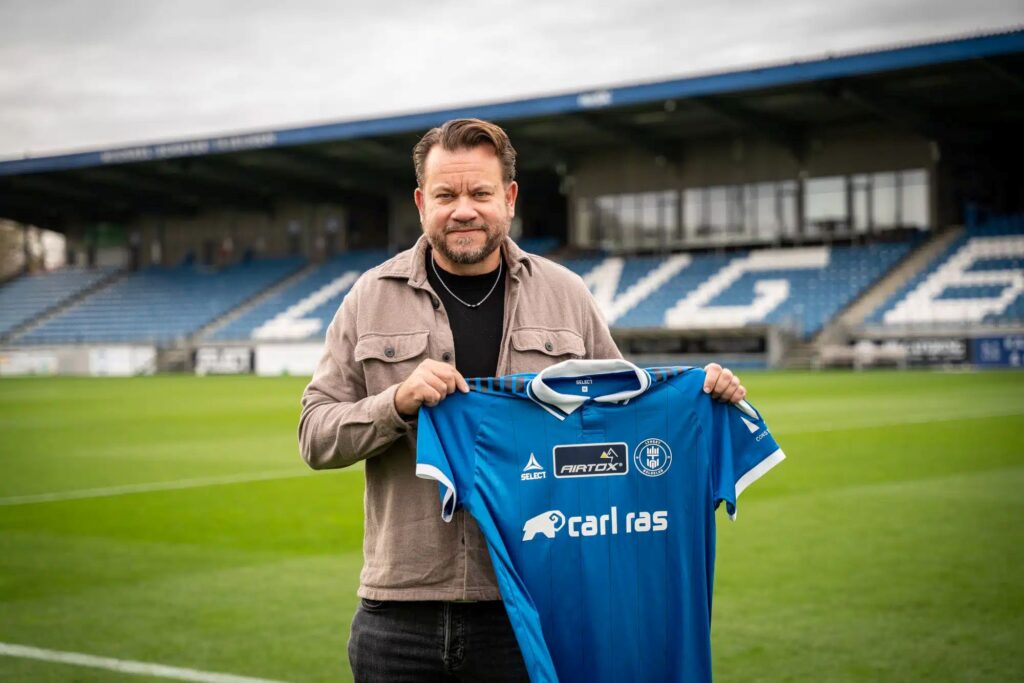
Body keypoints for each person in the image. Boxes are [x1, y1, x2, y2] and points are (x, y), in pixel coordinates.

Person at [298, 118, 748, 682]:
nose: (464, 209)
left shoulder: (566, 295)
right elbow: (314, 434)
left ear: (508, 198)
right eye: (446, 195)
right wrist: (396, 403)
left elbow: (628, 422)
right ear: (421, 202)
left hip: (534, 613)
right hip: (399, 618)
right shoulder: (371, 297)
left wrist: (701, 399)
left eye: (480, 193)